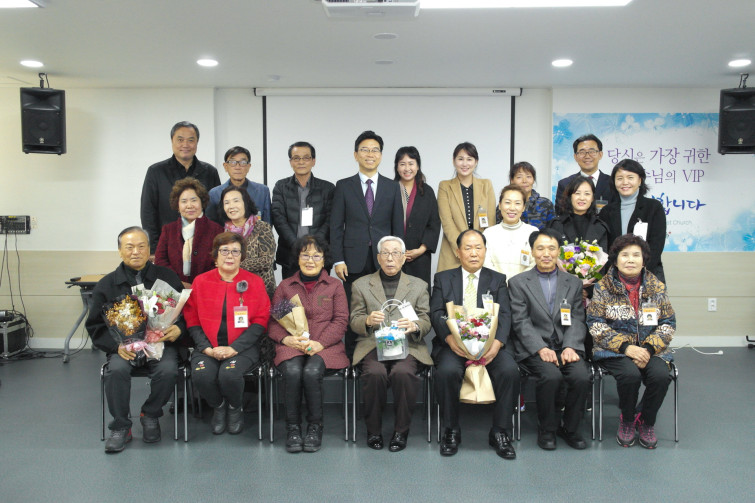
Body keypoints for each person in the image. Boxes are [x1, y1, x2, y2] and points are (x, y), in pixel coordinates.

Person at [85, 226, 186, 453]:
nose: (136, 252)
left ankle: (150, 414)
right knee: (116, 371)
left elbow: (186, 313)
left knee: (168, 370)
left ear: (149, 249)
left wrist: (179, 329)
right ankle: (121, 426)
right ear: (120, 251)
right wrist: (116, 347)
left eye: (141, 246)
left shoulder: (167, 277)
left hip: (160, 343)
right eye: (129, 247)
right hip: (124, 348)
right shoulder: (106, 285)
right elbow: (95, 326)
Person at [430, 229, 519, 459]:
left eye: (478, 247)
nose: (473, 253)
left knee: (509, 371)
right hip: (454, 346)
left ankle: (500, 431)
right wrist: (449, 338)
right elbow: (436, 312)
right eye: (467, 248)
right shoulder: (443, 278)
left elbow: (505, 314)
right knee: (447, 372)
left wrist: (497, 344)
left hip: (490, 345)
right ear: (458, 252)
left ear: (485, 251)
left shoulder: (497, 279)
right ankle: (451, 430)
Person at [587, 234, 675, 449]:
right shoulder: (603, 287)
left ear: (644, 260)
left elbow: (668, 323)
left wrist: (648, 348)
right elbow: (595, 324)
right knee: (630, 375)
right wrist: (627, 348)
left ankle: (646, 420)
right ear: (616, 260)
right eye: (624, 255)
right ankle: (627, 419)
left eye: (636, 255)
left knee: (661, 376)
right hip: (613, 350)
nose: (630, 260)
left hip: (651, 349)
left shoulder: (657, 287)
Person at [508, 229, 591, 451]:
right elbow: (520, 321)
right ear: (532, 252)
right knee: (551, 376)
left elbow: (577, 318)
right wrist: (540, 348)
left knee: (581, 377)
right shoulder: (518, 283)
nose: (546, 253)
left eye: (551, 248)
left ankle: (571, 429)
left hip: (566, 345)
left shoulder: (573, 282)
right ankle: (547, 429)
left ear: (558, 252)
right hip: (535, 347)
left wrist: (571, 346)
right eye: (541, 248)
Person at [350, 236, 433, 452]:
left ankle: (400, 431)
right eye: (385, 253)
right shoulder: (361, 285)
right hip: (372, 343)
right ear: (378, 258)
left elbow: (426, 320)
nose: (390, 258)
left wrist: (414, 325)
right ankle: (373, 430)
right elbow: (354, 320)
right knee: (375, 373)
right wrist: (367, 321)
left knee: (403, 373)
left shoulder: (419, 286)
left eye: (395, 253)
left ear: (403, 258)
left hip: (407, 344)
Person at [268, 235, 349, 453]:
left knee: (312, 371)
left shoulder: (334, 286)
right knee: (293, 371)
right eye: (305, 255)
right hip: (292, 344)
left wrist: (320, 343)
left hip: (326, 346)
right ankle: (293, 428)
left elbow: (341, 320)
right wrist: (286, 339)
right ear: (297, 258)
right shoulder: (286, 286)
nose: (310, 260)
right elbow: (274, 322)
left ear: (324, 260)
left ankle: (315, 427)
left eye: (316, 256)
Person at [184, 232, 271, 436]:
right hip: (207, 347)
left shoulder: (254, 282)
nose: (230, 256)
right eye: (224, 251)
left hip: (242, 348)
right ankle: (219, 406)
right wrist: (206, 348)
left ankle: (234, 408)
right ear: (216, 255)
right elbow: (192, 319)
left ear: (242, 256)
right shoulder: (201, 281)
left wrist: (234, 348)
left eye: (235, 251)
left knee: (229, 374)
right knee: (202, 374)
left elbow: (261, 320)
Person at [330, 130, 403, 354]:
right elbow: (336, 226)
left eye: (375, 150)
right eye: (364, 150)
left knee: (385, 308)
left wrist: (397, 258)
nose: (370, 154)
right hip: (352, 261)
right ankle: (354, 359)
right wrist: (338, 260)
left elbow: (397, 227)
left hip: (384, 259)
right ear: (356, 155)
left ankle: (387, 355)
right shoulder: (344, 186)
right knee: (355, 310)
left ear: (380, 155)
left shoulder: (392, 186)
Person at [141, 121, 221, 254]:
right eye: (180, 140)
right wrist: (154, 250)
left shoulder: (210, 172)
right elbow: (148, 212)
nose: (185, 145)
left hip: (204, 246)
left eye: (191, 140)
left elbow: (215, 212)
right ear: (172, 141)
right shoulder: (156, 171)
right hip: (168, 245)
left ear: (197, 142)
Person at [271, 141, 335, 279]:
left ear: (313, 161)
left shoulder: (328, 188)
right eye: (296, 158)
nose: (301, 162)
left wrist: (313, 246)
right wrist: (297, 246)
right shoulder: (281, 186)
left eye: (306, 158)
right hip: (290, 254)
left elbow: (330, 220)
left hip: (319, 254)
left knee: (320, 292)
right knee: (291, 292)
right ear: (290, 162)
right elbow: (278, 218)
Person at [598, 159, 667, 284]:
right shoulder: (606, 211)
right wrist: (617, 274)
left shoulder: (653, 207)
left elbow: (656, 246)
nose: (625, 182)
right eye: (619, 178)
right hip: (615, 278)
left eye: (630, 177)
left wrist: (638, 273)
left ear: (640, 180)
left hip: (648, 275)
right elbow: (605, 248)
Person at [437, 142, 497, 272]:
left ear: (476, 162)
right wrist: (463, 250)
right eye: (460, 159)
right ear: (454, 161)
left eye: (469, 159)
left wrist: (478, 250)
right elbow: (447, 222)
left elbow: (490, 221)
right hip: (453, 252)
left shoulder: (486, 185)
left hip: (479, 254)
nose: (465, 164)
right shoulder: (445, 186)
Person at [154, 177, 223, 287]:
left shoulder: (217, 230)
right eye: (184, 201)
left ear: (202, 202)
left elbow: (219, 262)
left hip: (207, 287)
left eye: (194, 200)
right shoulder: (168, 230)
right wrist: (179, 283)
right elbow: (160, 261)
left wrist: (199, 284)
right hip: (175, 289)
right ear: (177, 205)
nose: (189, 205)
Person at [393, 146, 441, 288]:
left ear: (418, 166)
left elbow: (434, 223)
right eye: (402, 164)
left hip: (420, 256)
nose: (407, 168)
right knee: (394, 294)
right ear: (397, 167)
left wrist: (421, 249)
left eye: (411, 163)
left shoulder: (427, 191)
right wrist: (393, 251)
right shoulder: (389, 189)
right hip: (393, 256)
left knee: (419, 294)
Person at [219, 185, 277, 298]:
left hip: (261, 291)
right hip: (232, 291)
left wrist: (234, 264)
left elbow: (267, 260)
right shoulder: (223, 233)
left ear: (245, 203)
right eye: (226, 203)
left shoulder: (262, 227)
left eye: (236, 201)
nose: (231, 206)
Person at [483, 185, 537, 282]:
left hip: (524, 287)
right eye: (507, 202)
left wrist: (516, 284)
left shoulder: (533, 232)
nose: (512, 208)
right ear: (500, 205)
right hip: (495, 286)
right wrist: (501, 283)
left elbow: (535, 263)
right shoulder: (488, 233)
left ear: (523, 207)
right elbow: (486, 263)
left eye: (517, 203)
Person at [206, 146, 272, 224]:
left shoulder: (262, 191)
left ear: (248, 167)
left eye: (243, 163)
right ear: (226, 166)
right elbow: (211, 224)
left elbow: (267, 222)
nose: (238, 167)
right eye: (232, 162)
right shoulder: (214, 194)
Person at [555, 134, 616, 210]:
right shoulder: (565, 184)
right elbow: (561, 213)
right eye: (582, 152)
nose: (587, 156)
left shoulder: (613, 183)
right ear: (575, 157)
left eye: (592, 151)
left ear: (600, 155)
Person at [549, 176, 609, 251]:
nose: (582, 198)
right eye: (577, 193)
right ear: (570, 196)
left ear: (592, 198)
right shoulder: (557, 224)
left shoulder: (600, 227)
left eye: (587, 194)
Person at [495, 162, 555, 229]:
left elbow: (553, 231)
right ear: (512, 180)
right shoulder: (505, 205)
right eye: (519, 177)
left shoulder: (545, 204)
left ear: (533, 180)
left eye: (528, 177)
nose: (524, 181)